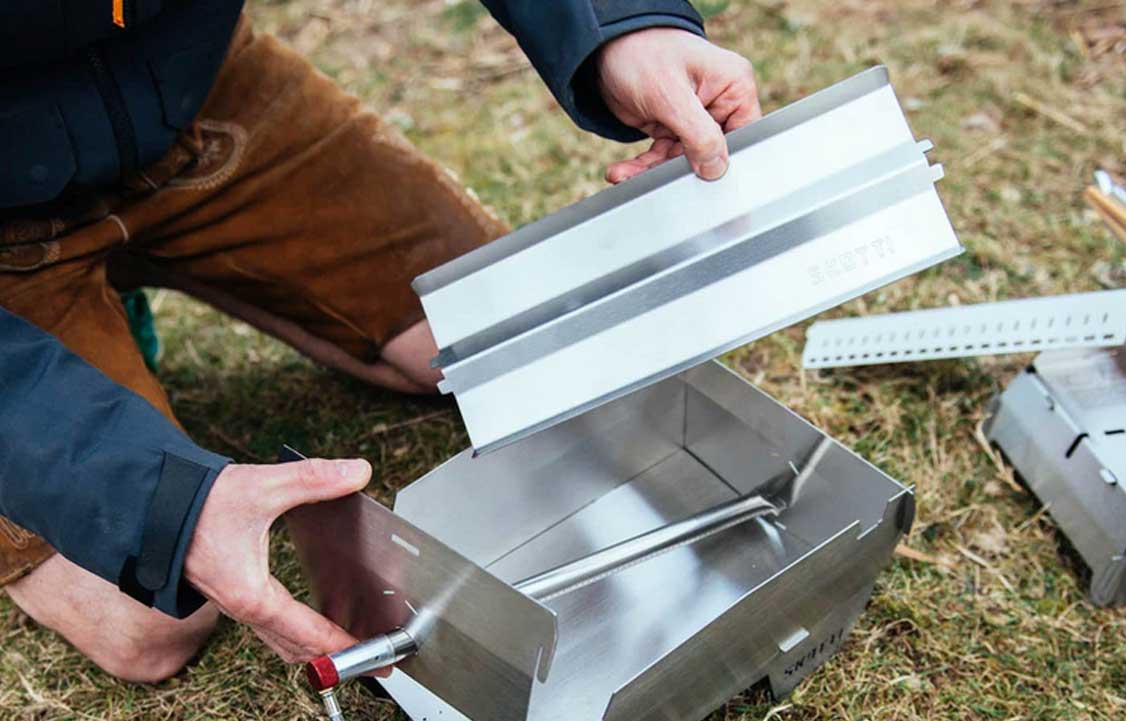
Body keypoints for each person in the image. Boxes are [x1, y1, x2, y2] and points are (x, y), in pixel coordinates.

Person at [0, 2, 761, 682]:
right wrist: (148, 502)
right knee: (156, 615)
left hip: (188, 95)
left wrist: (617, 26)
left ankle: (155, 262)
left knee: (501, 344)